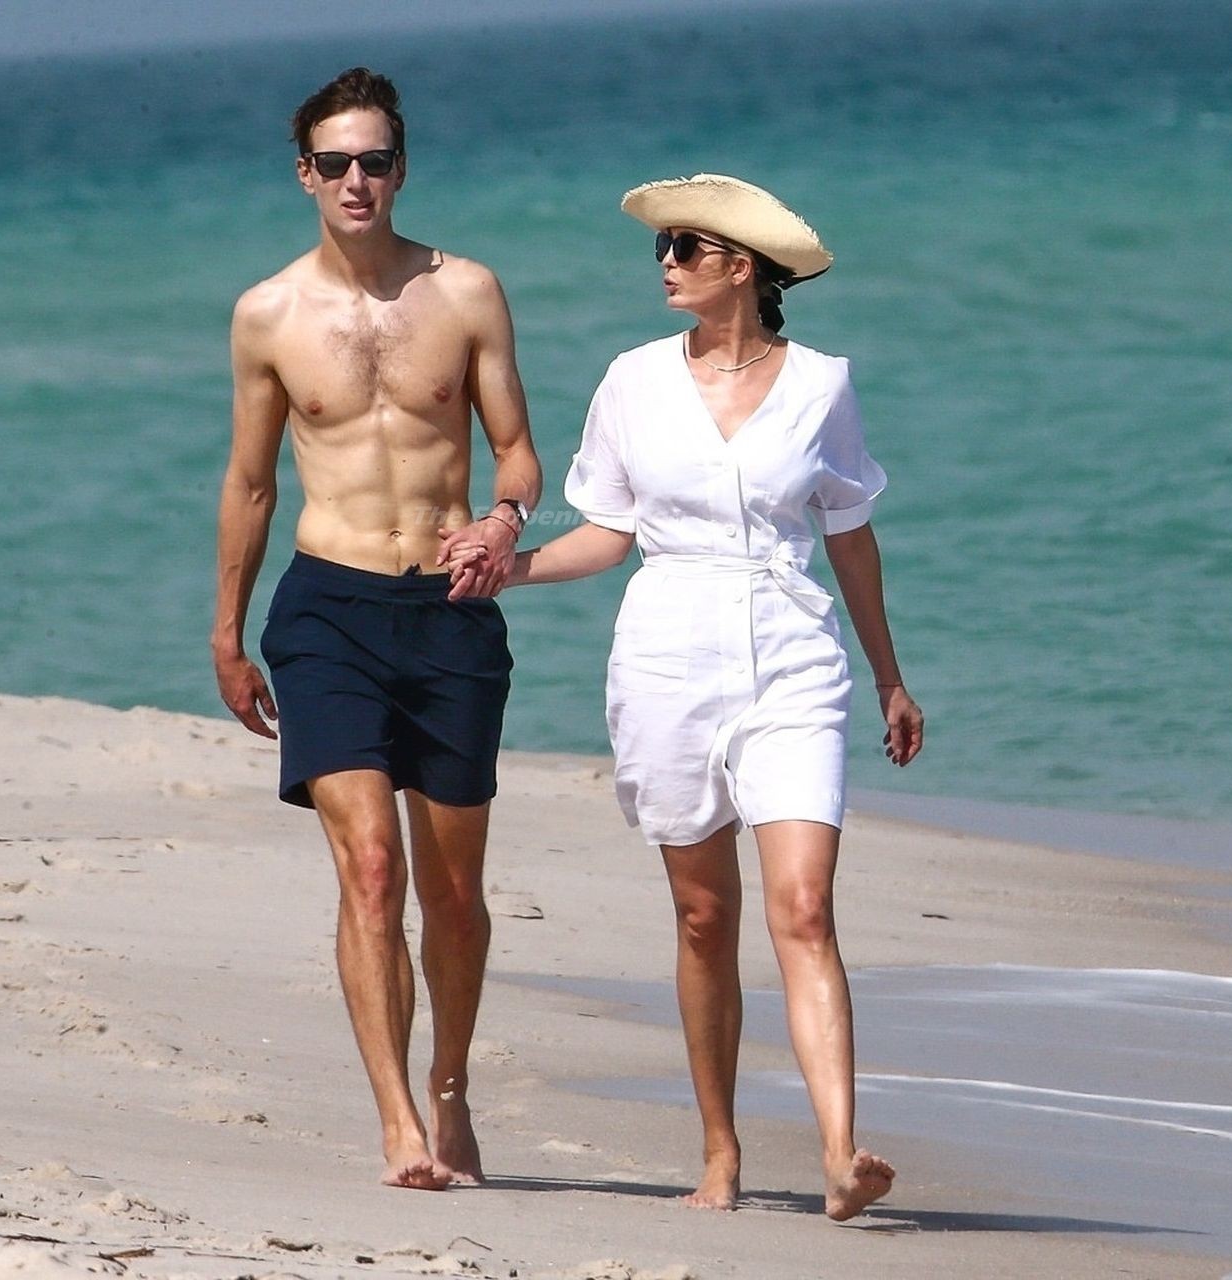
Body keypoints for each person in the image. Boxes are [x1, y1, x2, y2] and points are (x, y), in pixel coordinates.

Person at [443, 174, 923, 1221]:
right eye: (661, 248)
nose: (665, 263)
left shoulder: (822, 385)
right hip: (667, 655)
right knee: (705, 916)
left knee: (804, 907)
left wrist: (890, 675)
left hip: (793, 651)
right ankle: (720, 1149)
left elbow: (850, 535)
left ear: (740, 267)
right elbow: (608, 534)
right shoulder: (633, 381)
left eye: (685, 248)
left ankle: (840, 1153)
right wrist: (510, 567)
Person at [212, 66, 543, 1191]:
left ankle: (449, 1087)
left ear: (402, 169)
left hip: (449, 610)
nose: (357, 181)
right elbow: (251, 482)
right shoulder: (267, 313)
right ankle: (398, 1121)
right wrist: (227, 631)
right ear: (304, 174)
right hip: (328, 609)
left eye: (376, 161)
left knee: (453, 896)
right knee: (370, 867)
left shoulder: (468, 292)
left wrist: (503, 521)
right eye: (335, 163)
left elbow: (517, 452)